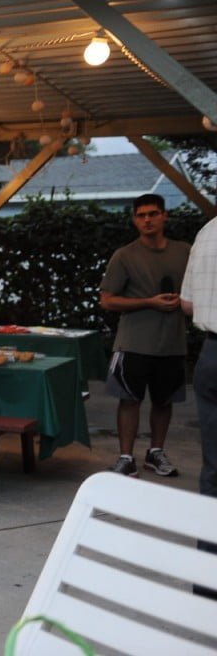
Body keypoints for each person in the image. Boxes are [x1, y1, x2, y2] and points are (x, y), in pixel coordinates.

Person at [100, 193, 190, 478]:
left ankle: (155, 453)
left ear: (165, 216)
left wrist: (186, 303)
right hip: (134, 341)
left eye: (153, 214)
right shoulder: (124, 255)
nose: (147, 220)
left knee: (164, 401)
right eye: (141, 215)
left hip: (172, 342)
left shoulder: (184, 252)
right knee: (129, 400)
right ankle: (126, 457)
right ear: (134, 220)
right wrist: (149, 302)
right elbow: (108, 300)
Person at [180, 214, 217, 599]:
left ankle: (207, 581)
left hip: (211, 356)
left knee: (213, 470)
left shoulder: (208, 230)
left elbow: (187, 304)